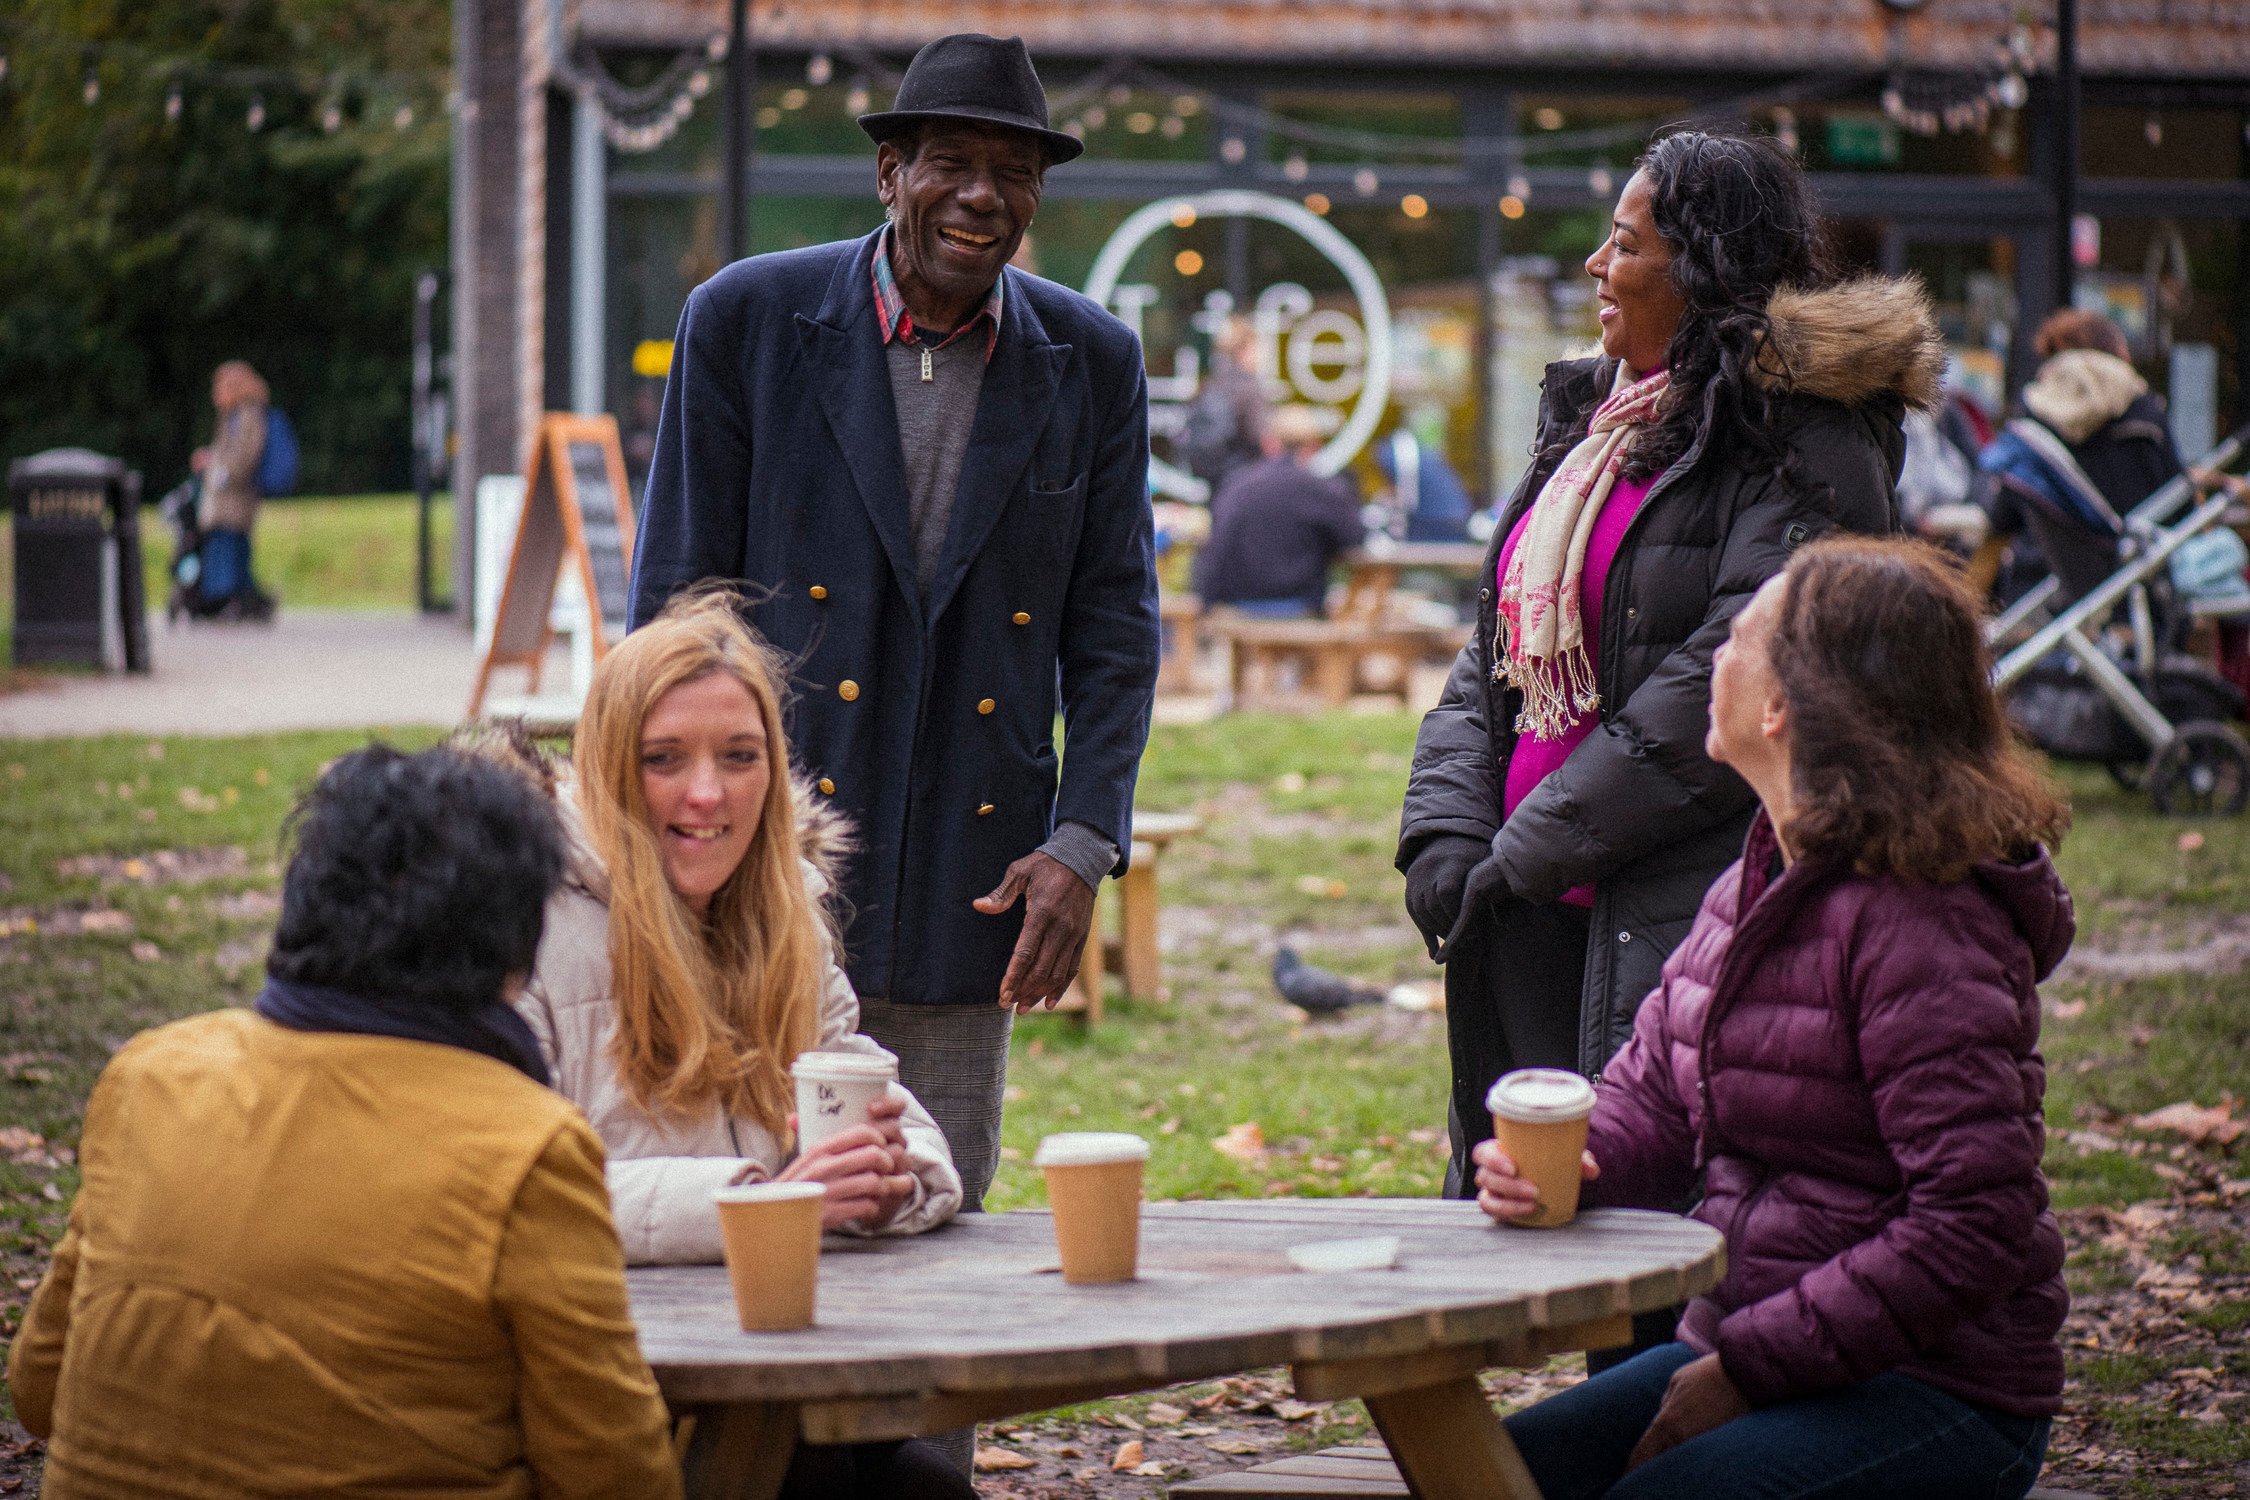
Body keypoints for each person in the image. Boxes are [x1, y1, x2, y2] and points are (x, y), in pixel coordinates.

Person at [628, 33, 1159, 1214]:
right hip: (762, 846)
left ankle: (932, 1413)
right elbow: (674, 614)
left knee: (940, 1196)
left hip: (973, 863)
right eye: (952, 163)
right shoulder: (748, 321)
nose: (983, 196)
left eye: (1014, 171)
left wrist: (1083, 843)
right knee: (753, 1185)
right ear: (888, 174)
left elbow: (1116, 625)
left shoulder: (1092, 359)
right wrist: (666, 829)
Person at [1395, 131, 1939, 1226]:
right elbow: (1495, 640)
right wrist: (1448, 830)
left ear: (1701, 269)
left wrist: (1536, 840)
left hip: (1676, 904)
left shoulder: (1806, 437)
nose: (1597, 266)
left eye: (1624, 242)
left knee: (1658, 1243)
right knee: (1561, 1227)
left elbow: (1740, 669)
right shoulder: (1601, 421)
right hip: (1530, 897)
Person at [1478, 536, 2071, 1500]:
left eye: (1739, 639)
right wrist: (1578, 1160)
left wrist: (1748, 1371)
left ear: (1786, 706)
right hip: (1763, 1349)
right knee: (1489, 1477)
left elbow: (1974, 1222)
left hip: (1937, 1390)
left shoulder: (1924, 927)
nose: (1714, 655)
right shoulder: (1759, 875)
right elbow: (1655, 1099)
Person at [8, 745, 682, 1498]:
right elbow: (615, 1476)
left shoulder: (149, 1076)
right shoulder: (526, 1146)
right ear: (518, 947)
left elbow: (38, 1390)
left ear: (304, 899)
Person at [503, 592, 971, 1499]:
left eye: (740, 757)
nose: (708, 793)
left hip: (770, 1364)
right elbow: (514, 1193)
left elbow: (869, 1087)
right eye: (663, 760)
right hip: (594, 1388)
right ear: (605, 766)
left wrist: (893, 1176)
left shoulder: (784, 909)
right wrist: (765, 1203)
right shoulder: (525, 923)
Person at [1977, 310, 2182, 604]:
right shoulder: (2144, 412)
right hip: (2134, 593)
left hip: (2037, 594)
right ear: (2114, 353)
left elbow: (2000, 519)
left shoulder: (2034, 419)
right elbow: (2180, 504)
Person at [1195, 403, 1366, 617]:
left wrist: (1208, 605)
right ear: (1314, 446)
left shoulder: (1237, 486)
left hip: (1237, 606)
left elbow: (1215, 550)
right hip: (1299, 606)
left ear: (1269, 443)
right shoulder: (1321, 489)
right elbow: (1354, 539)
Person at [188, 358, 274, 619]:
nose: (216, 395)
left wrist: (221, 472)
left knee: (226, 546)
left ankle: (225, 599)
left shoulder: (246, 415)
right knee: (234, 548)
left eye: (220, 388)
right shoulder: (232, 416)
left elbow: (246, 454)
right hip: (229, 497)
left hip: (235, 496)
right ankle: (246, 600)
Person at [1180, 314, 1269, 495]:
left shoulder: (1208, 384)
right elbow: (1259, 437)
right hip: (1243, 481)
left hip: (1213, 481)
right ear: (1245, 348)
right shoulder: (1248, 387)